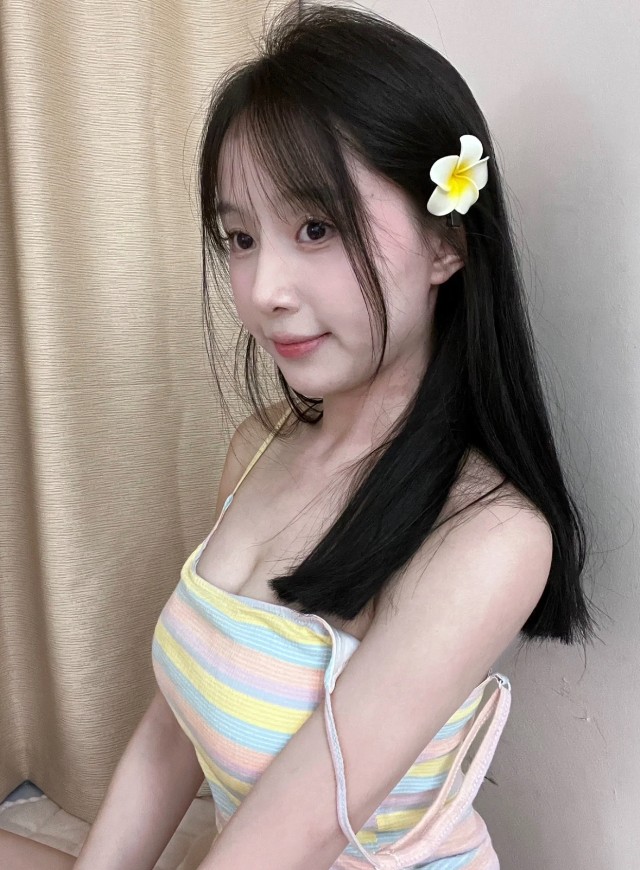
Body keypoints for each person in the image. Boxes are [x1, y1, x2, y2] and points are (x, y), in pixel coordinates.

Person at [2, 1, 599, 867]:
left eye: (315, 228)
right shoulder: (258, 446)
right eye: (240, 238)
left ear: (446, 243)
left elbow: (296, 835)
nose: (262, 290)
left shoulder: (491, 536)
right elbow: (171, 731)